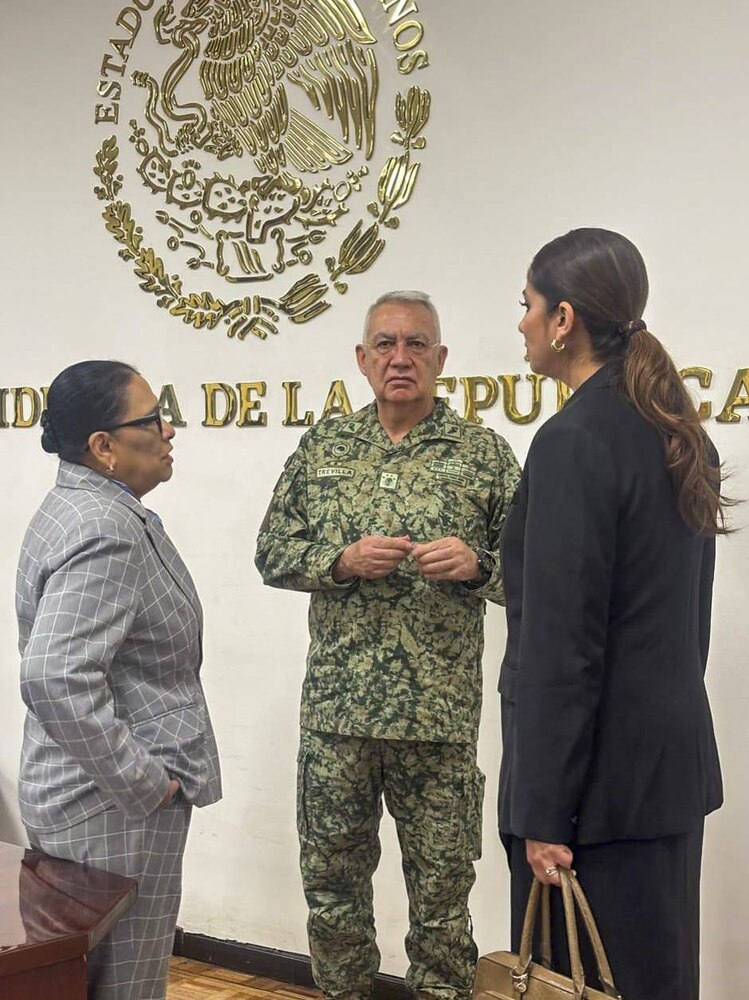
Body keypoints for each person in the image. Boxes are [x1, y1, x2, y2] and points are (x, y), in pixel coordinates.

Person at [256, 291, 520, 1000]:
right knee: (333, 896)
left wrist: (479, 566)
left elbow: (537, 573)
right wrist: (339, 561)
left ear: (440, 358)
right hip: (337, 721)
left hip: (437, 724)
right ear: (362, 358)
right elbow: (271, 552)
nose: (400, 358)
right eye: (385, 344)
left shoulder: (484, 455)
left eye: (416, 344)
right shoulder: (324, 448)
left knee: (442, 908)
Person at [498, 229, 727, 1000]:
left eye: (528, 305)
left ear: (564, 319)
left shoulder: (573, 442)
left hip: (589, 800)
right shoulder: (680, 433)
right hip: (662, 776)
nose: (522, 323)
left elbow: (562, 649)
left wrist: (543, 814)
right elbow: (687, 627)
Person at [17, 360, 222, 1000]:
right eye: (153, 419)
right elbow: (53, 676)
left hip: (87, 800)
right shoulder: (104, 528)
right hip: (111, 813)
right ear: (103, 446)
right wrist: (143, 784)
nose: (170, 430)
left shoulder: (78, 506)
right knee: (125, 986)